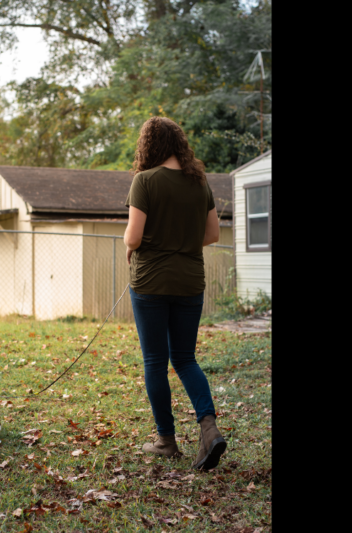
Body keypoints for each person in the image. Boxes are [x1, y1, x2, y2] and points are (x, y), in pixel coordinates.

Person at [124, 116, 226, 471]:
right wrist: (180, 240)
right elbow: (212, 234)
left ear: (150, 146)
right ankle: (209, 428)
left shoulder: (144, 181)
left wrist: (135, 244)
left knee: (155, 361)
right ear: (179, 144)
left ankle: (166, 441)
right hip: (189, 283)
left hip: (151, 283)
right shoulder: (199, 184)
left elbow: (133, 237)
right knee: (184, 359)